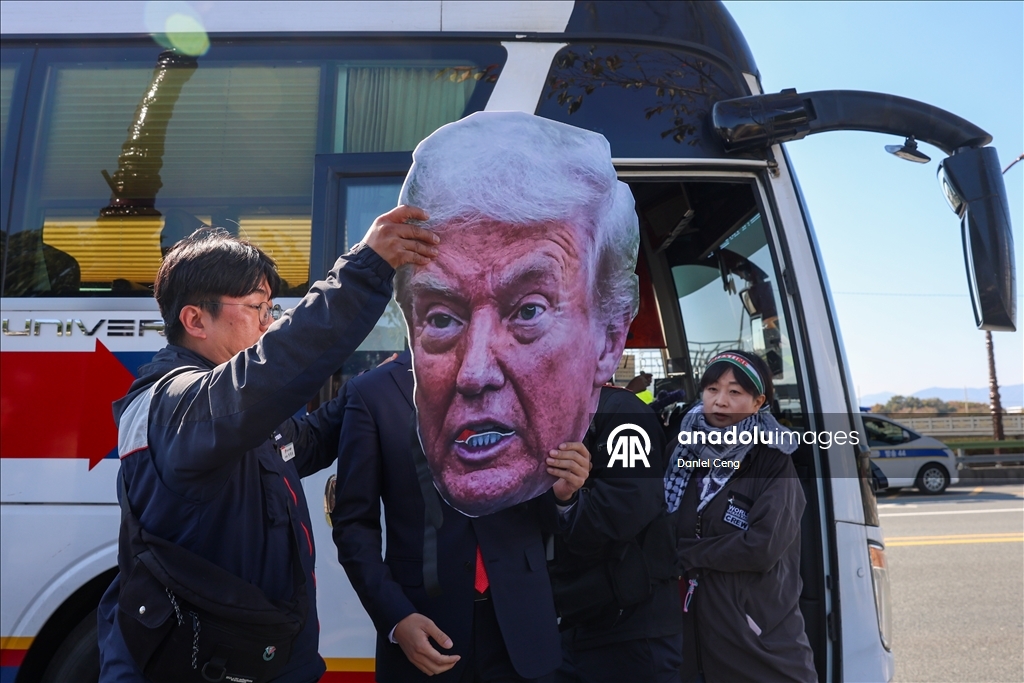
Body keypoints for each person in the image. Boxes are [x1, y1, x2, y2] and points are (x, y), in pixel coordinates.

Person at [97, 207, 439, 683]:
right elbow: (275, 365)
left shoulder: (230, 413)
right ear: (195, 319)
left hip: (256, 657)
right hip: (206, 666)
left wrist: (385, 381)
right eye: (257, 308)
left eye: (271, 309)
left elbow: (310, 441)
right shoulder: (180, 405)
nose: (268, 324)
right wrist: (366, 268)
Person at [394, 110, 640, 517]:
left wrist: (568, 499)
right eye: (440, 318)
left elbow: (631, 522)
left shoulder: (626, 426)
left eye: (528, 311)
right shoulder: (383, 410)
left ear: (610, 338)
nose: (473, 373)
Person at [332, 350, 590, 682]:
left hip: (524, 633)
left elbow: (545, 514)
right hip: (425, 631)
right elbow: (354, 525)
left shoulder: (530, 384)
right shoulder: (373, 393)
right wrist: (396, 619)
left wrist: (563, 495)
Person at [664, 350, 817, 683]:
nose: (720, 402)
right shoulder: (682, 451)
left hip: (758, 643)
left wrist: (686, 554)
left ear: (757, 401)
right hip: (690, 645)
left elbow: (762, 547)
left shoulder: (773, 459)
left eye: (735, 393)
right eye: (712, 389)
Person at [549, 384, 683, 683]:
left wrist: (566, 502)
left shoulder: (623, 411)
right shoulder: (544, 410)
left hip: (630, 628)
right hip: (568, 622)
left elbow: (625, 510)